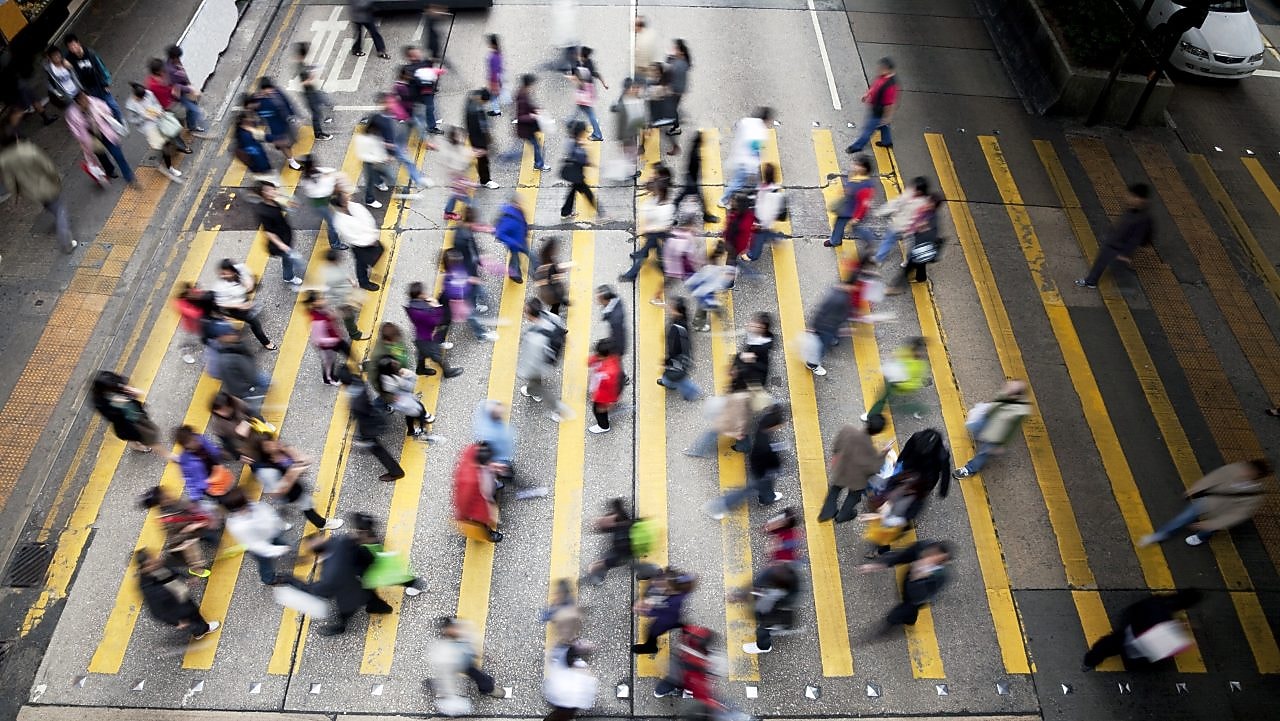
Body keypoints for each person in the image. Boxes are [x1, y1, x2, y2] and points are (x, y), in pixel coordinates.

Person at [1140, 459, 1270, 547]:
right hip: (1208, 501)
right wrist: (1196, 489)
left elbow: (1236, 515)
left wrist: (1213, 523)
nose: (1244, 471)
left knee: (1208, 528)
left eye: (1249, 472)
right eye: (1247, 468)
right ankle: (1161, 534)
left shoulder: (1254, 495)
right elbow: (1213, 478)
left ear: (1256, 476)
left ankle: (1202, 537)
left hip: (1221, 513)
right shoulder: (1234, 469)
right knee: (1183, 518)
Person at [294, 532, 391, 636]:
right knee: (372, 598)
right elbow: (360, 548)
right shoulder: (340, 541)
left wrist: (292, 581)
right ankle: (382, 608)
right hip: (362, 580)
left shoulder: (328, 573)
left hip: (350, 595)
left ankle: (340, 627)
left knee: (345, 613)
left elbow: (322, 591)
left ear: (316, 554)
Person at [1081, 590, 1202, 670]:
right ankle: (1091, 661)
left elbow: (1133, 610)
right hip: (1140, 645)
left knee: (1106, 646)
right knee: (1133, 659)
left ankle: (1089, 662)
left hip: (1128, 632)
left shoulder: (1158, 604)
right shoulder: (1166, 621)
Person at [707, 404, 787, 518]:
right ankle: (718, 506)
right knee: (747, 490)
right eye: (779, 425)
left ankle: (767, 498)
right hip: (762, 470)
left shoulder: (763, 423)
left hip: (757, 463)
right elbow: (770, 457)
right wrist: (777, 466)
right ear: (774, 425)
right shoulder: (766, 444)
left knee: (764, 486)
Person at [0, 136, 77, 252]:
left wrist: (15, 196)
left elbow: (9, 181)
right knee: (61, 210)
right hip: (46, 185)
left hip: (30, 191)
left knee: (50, 204)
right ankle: (67, 242)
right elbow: (48, 167)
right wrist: (56, 178)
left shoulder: (4, 160)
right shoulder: (29, 149)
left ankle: (57, 216)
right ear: (16, 138)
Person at [857, 539, 950, 635]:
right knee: (908, 608)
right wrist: (876, 566)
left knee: (896, 615)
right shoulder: (922, 548)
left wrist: (917, 576)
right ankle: (910, 619)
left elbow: (920, 597)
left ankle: (892, 624)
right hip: (907, 586)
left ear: (942, 561)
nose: (929, 557)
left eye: (936, 558)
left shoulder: (940, 576)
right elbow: (901, 557)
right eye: (931, 553)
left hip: (916, 598)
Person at [1075, 183, 1154, 289]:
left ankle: (1092, 281)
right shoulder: (1133, 209)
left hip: (1118, 246)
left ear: (1142, 200)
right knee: (1103, 261)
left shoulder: (1142, 219)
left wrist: (1125, 254)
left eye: (1133, 197)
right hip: (1114, 242)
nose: (1129, 198)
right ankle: (1092, 280)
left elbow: (1135, 239)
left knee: (1109, 264)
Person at [953, 380, 1031, 479]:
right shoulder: (1007, 394)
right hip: (987, 421)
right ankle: (980, 438)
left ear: (1015, 396)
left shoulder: (1019, 412)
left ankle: (969, 469)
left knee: (983, 453)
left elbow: (1011, 430)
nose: (1006, 388)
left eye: (1010, 388)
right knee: (974, 428)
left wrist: (1002, 444)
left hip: (996, 434)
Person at [135, 549, 220, 639]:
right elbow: (156, 612)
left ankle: (198, 627)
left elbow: (172, 571)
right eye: (150, 563)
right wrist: (176, 622)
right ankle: (201, 630)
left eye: (152, 559)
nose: (155, 563)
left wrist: (188, 577)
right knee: (191, 617)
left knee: (193, 610)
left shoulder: (157, 566)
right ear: (144, 568)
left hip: (179, 595)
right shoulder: (147, 587)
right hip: (175, 607)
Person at [427, 617, 504, 715]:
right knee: (447, 684)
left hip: (466, 662)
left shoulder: (463, 630)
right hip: (452, 666)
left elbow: (474, 643)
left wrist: (484, 655)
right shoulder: (442, 650)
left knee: (479, 676)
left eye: (453, 628)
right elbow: (446, 674)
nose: (454, 631)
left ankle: (488, 688)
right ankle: (436, 688)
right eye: (450, 630)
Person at [819, 412, 888, 523]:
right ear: (878, 432)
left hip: (842, 468)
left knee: (835, 490)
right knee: (854, 496)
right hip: (857, 479)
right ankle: (843, 515)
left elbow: (836, 446)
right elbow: (874, 468)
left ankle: (826, 512)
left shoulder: (848, 430)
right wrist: (884, 453)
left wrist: (836, 455)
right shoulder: (871, 451)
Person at [341, 368, 405, 481]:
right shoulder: (358, 381)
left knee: (377, 449)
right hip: (373, 417)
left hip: (370, 426)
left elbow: (362, 416)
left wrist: (364, 437)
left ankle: (396, 472)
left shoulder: (357, 403)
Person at [141, 486, 215, 577]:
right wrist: (192, 526)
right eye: (164, 496)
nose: (167, 495)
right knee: (193, 554)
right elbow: (178, 535)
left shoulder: (173, 503)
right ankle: (196, 569)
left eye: (164, 493)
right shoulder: (167, 518)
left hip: (193, 529)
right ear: (161, 502)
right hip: (183, 540)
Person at [223, 486, 290, 584]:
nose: (249, 501)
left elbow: (268, 512)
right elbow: (257, 545)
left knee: (282, 544)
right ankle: (268, 579)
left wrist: (279, 525)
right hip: (260, 546)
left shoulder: (251, 506)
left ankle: (286, 551)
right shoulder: (238, 526)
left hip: (270, 534)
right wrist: (277, 550)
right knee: (265, 563)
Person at [67, 91, 135, 187]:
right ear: (78, 102)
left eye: (85, 96)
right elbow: (75, 130)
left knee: (118, 154)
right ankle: (110, 170)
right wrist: (81, 141)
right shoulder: (72, 114)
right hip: (91, 138)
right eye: (83, 99)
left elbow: (106, 109)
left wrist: (105, 115)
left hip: (104, 131)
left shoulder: (93, 101)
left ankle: (128, 176)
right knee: (101, 155)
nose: (87, 99)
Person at [125, 82, 189, 183]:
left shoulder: (148, 94)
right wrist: (143, 117)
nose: (142, 99)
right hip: (149, 128)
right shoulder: (130, 105)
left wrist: (158, 111)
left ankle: (162, 160)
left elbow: (156, 103)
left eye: (143, 97)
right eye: (140, 98)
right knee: (164, 146)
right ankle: (169, 168)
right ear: (135, 96)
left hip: (159, 121)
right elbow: (132, 120)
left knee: (166, 143)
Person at [739, 558, 802, 655]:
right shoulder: (784, 576)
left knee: (764, 628)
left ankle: (763, 646)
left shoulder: (777, 579)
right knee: (766, 620)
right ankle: (782, 626)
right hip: (771, 605)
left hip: (773, 610)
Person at [518, 300, 571, 416]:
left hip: (540, 364)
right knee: (536, 380)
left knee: (535, 382)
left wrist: (522, 372)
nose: (524, 313)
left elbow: (532, 361)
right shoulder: (550, 316)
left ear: (531, 315)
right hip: (552, 355)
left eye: (525, 311)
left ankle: (536, 395)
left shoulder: (534, 338)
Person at [91, 370, 163, 454]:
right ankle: (137, 446)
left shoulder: (116, 384)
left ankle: (138, 442)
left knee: (140, 431)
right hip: (125, 422)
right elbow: (111, 417)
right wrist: (119, 404)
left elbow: (126, 386)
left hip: (133, 412)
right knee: (135, 435)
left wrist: (129, 391)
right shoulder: (100, 402)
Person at [888, 191, 945, 292]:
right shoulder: (928, 213)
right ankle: (921, 278)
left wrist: (920, 228)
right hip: (921, 248)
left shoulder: (932, 219)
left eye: (930, 202)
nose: (927, 202)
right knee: (920, 264)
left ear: (933, 205)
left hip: (920, 248)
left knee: (909, 267)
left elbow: (929, 235)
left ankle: (896, 287)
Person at [212, 258, 276, 349]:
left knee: (252, 303)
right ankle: (266, 343)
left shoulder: (240, 268)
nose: (224, 276)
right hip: (235, 307)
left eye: (226, 273)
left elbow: (248, 276)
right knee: (254, 322)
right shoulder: (220, 286)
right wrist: (239, 306)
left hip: (242, 298)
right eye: (223, 274)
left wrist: (249, 283)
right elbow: (221, 303)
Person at [406, 281, 464, 378]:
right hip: (427, 338)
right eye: (423, 293)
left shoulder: (412, 305)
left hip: (419, 335)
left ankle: (420, 369)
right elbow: (436, 321)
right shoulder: (423, 310)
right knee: (437, 354)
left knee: (422, 353)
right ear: (419, 295)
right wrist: (436, 306)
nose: (425, 294)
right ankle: (448, 371)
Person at [619, 178, 674, 282]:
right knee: (658, 252)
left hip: (658, 234)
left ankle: (631, 274)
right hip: (653, 234)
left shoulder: (667, 207)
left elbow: (666, 226)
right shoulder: (655, 200)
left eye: (655, 190)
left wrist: (647, 228)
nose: (653, 192)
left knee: (645, 254)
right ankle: (662, 266)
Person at [863, 337, 931, 419]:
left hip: (900, 385)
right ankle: (872, 414)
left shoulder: (919, 366)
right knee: (882, 399)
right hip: (893, 379)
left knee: (895, 407)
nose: (919, 352)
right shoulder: (907, 351)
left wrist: (900, 383)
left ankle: (918, 408)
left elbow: (913, 384)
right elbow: (897, 356)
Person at [632, 570, 696, 655]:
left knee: (653, 632)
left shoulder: (673, 602)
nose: (658, 583)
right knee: (676, 622)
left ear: (674, 591)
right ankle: (684, 627)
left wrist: (644, 610)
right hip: (671, 615)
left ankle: (650, 647)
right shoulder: (671, 582)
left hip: (666, 619)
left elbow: (659, 611)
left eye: (666, 587)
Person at [331, 190, 384, 291]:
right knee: (361, 263)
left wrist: (373, 235)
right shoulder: (340, 221)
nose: (348, 196)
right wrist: (369, 240)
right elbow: (351, 237)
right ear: (342, 203)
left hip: (370, 238)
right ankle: (363, 282)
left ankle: (369, 266)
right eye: (345, 197)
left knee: (377, 253)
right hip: (360, 245)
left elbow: (368, 218)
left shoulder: (355, 206)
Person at [254, 181, 304, 286]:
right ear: (262, 194)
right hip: (280, 242)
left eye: (272, 188)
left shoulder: (273, 202)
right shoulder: (263, 211)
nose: (272, 191)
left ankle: (289, 271)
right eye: (268, 190)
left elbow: (289, 207)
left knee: (288, 258)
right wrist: (281, 245)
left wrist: (286, 200)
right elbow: (268, 232)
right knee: (288, 258)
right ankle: (288, 277)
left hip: (285, 234)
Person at [872, 176, 930, 264]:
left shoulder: (923, 203)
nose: (914, 190)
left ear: (921, 191)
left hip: (908, 229)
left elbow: (921, 218)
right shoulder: (909, 193)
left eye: (916, 189)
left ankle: (908, 261)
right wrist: (881, 211)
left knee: (908, 247)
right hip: (896, 224)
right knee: (887, 241)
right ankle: (879, 258)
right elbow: (896, 203)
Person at [719, 107, 771, 206]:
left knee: (752, 182)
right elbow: (754, 150)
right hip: (746, 161)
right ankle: (723, 200)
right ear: (766, 119)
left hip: (739, 155)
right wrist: (753, 166)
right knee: (738, 182)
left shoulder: (746, 121)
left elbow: (737, 125)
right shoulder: (761, 131)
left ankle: (754, 196)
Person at [375, 354, 435, 438]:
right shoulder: (391, 380)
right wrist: (405, 377)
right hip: (401, 399)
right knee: (418, 409)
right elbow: (409, 386)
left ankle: (412, 430)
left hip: (402, 397)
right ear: (389, 369)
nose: (397, 363)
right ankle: (419, 426)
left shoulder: (387, 377)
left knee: (411, 413)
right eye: (393, 364)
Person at [802, 279, 854, 376]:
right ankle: (812, 364)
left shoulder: (837, 294)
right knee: (821, 347)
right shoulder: (838, 298)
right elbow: (823, 312)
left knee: (822, 343)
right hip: (827, 327)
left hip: (829, 326)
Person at [453, 442, 503, 542]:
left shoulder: (472, 452)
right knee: (483, 522)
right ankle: (488, 533)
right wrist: (462, 516)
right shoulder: (470, 481)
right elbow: (463, 500)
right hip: (479, 502)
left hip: (485, 486)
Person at [846, 57, 898, 154]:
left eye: (881, 68)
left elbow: (889, 104)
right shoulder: (882, 77)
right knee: (884, 126)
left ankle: (857, 146)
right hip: (877, 108)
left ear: (887, 69)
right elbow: (875, 86)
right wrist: (867, 94)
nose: (879, 69)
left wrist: (887, 117)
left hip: (879, 112)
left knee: (868, 130)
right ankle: (887, 142)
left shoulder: (890, 86)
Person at [298, 157, 352, 250]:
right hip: (319, 205)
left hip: (325, 200)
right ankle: (335, 244)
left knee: (335, 214)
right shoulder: (307, 180)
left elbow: (329, 171)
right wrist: (331, 181)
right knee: (332, 223)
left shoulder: (314, 172)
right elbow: (322, 192)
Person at [825, 154, 877, 249]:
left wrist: (857, 218)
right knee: (839, 225)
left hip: (854, 212)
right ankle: (835, 241)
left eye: (857, 165)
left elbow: (863, 205)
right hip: (847, 208)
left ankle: (869, 237)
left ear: (864, 168)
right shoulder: (856, 176)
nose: (854, 166)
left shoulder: (865, 186)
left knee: (856, 228)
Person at [65, 34, 120, 121]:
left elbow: (101, 67)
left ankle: (120, 122)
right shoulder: (70, 58)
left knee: (113, 105)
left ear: (78, 43)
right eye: (70, 47)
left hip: (100, 85)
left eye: (74, 45)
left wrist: (106, 83)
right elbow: (62, 62)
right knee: (99, 110)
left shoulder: (90, 53)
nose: (73, 48)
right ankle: (109, 125)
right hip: (89, 89)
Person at [656, 297, 702, 401]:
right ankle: (669, 382)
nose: (669, 309)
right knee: (675, 377)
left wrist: (666, 361)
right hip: (682, 357)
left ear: (678, 312)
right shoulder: (682, 321)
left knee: (677, 378)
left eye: (672, 308)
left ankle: (693, 392)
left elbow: (673, 351)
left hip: (677, 360)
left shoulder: (676, 329)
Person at [173, 425, 233, 503]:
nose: (195, 441)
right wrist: (195, 497)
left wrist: (219, 453)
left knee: (226, 486)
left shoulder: (200, 439)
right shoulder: (186, 461)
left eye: (193, 437)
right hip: (208, 483)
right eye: (190, 441)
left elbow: (211, 448)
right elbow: (189, 479)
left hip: (215, 468)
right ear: (185, 445)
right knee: (222, 497)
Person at [253, 77, 301, 170]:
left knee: (291, 140)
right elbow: (257, 112)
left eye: (270, 88)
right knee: (285, 145)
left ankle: (282, 147)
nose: (270, 91)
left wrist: (292, 114)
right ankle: (291, 162)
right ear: (262, 90)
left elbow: (287, 102)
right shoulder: (259, 101)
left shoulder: (277, 92)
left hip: (286, 122)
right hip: (276, 127)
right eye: (267, 89)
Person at [671, 130, 717, 223]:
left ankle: (672, 216)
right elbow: (693, 167)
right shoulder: (696, 153)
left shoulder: (695, 149)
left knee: (681, 198)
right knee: (687, 198)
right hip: (691, 181)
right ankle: (706, 216)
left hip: (691, 179)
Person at [165, 45, 210, 135]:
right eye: (178, 58)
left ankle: (191, 125)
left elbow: (183, 73)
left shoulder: (175, 62)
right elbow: (175, 86)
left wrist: (189, 84)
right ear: (173, 57)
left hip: (185, 89)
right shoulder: (170, 70)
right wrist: (189, 88)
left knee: (192, 107)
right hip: (180, 93)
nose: (179, 59)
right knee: (194, 109)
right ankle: (197, 128)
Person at [559, 122, 600, 221]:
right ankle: (601, 214)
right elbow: (582, 159)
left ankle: (565, 212)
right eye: (584, 132)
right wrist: (590, 163)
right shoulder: (576, 144)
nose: (585, 134)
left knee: (572, 192)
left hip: (575, 173)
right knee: (588, 193)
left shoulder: (572, 141)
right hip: (576, 174)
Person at [294, 42, 334, 140]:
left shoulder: (301, 64)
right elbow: (303, 83)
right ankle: (318, 134)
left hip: (311, 91)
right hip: (309, 94)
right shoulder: (301, 67)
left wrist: (311, 69)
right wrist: (310, 77)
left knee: (322, 99)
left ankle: (328, 103)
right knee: (316, 113)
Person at [514, 73, 551, 171]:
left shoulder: (524, 93)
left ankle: (538, 164)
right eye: (533, 84)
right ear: (528, 85)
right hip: (525, 128)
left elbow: (528, 107)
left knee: (536, 145)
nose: (535, 86)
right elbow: (521, 116)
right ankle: (539, 164)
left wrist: (537, 110)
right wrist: (533, 116)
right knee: (535, 146)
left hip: (528, 128)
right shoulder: (522, 96)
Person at [587, 339, 622, 434]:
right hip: (600, 390)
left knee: (598, 411)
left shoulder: (609, 373)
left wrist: (607, 403)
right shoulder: (612, 357)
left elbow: (609, 389)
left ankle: (603, 426)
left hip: (603, 396)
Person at [465, 89, 498, 189]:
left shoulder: (471, 101)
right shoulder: (475, 111)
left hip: (476, 138)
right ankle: (485, 180)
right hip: (478, 140)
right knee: (483, 160)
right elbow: (478, 128)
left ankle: (484, 179)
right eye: (485, 102)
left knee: (481, 160)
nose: (485, 104)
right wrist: (482, 144)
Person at [496, 195, 533, 283]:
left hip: (521, 240)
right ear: (513, 204)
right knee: (515, 259)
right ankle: (514, 275)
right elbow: (500, 234)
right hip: (515, 244)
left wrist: (525, 231)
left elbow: (523, 222)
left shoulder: (518, 211)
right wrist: (512, 242)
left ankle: (536, 271)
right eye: (517, 203)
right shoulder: (508, 218)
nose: (520, 205)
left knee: (531, 255)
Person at [573, 46, 607, 140]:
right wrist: (604, 84)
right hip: (587, 91)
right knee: (581, 110)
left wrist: (573, 79)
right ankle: (571, 121)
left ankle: (597, 133)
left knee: (589, 112)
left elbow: (581, 79)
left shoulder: (584, 64)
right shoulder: (588, 63)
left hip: (585, 92)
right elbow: (596, 74)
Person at [534, 237, 571, 316]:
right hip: (551, 295)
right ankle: (554, 315)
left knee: (557, 302)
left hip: (548, 292)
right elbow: (553, 284)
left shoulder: (544, 259)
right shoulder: (549, 266)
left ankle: (561, 302)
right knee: (555, 307)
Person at [665, 40, 690, 136]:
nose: (674, 50)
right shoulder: (681, 60)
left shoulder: (680, 65)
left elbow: (672, 74)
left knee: (672, 109)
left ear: (681, 52)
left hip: (676, 92)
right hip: (677, 91)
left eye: (676, 49)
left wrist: (670, 91)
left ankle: (676, 128)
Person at [633, 15, 657, 81]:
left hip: (642, 71)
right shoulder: (643, 36)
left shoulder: (644, 38)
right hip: (642, 70)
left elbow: (643, 57)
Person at [486, 34, 505, 116]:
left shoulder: (493, 56)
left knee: (493, 95)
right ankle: (497, 109)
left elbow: (494, 71)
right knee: (496, 94)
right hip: (498, 78)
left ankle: (496, 111)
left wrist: (492, 82)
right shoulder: (499, 53)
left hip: (494, 79)